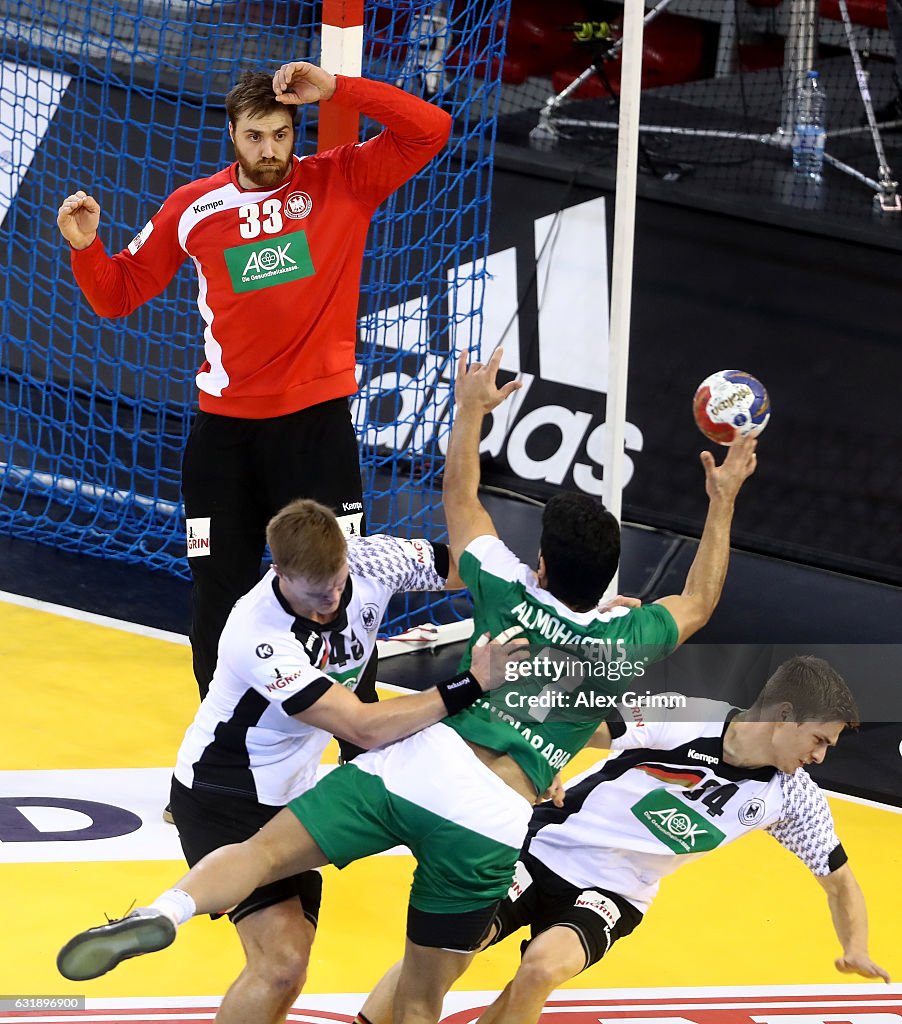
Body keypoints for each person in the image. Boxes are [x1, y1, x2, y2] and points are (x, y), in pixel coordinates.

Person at [56, 347, 758, 1024]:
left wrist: (470, 412)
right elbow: (699, 600)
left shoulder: (506, 590)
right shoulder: (624, 643)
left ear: (539, 564)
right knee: (421, 1002)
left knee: (262, 857)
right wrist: (721, 500)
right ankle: (175, 915)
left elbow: (462, 498)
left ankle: (166, 910)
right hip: (487, 822)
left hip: (417, 769)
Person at [56, 60, 452, 705]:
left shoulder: (343, 178)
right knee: (219, 596)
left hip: (314, 428)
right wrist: (86, 248)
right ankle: (218, 761)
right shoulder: (195, 207)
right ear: (232, 136)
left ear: (297, 131)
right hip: (226, 438)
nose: (269, 150)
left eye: (280, 134)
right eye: (254, 137)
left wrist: (341, 90)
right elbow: (119, 294)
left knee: (340, 590)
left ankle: (363, 762)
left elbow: (431, 128)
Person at [57, 496, 515, 1024]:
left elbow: (470, 567)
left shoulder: (373, 559)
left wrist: (562, 605)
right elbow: (362, 727)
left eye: (337, 587)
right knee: (279, 964)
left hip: (292, 789)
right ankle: (165, 912)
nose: (328, 605)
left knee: (289, 969)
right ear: (279, 572)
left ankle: (166, 910)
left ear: (346, 557)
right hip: (223, 790)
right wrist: (473, 683)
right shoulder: (261, 632)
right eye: (314, 596)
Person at [467, 655, 891, 1024]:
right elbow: (581, 724)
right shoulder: (684, 714)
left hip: (615, 891)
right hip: (548, 845)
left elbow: (841, 884)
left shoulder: (793, 797)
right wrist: (544, 753)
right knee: (458, 939)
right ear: (783, 715)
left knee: (540, 971)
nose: (819, 757)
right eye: (819, 740)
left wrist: (855, 948)